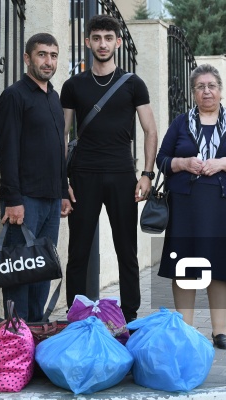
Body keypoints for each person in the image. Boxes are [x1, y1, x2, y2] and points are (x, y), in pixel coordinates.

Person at [60, 15, 158, 323]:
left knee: (126, 251)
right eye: (97, 38)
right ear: (88, 42)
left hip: (122, 177)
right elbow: (62, 133)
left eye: (108, 38)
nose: (102, 43)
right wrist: (63, 180)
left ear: (117, 42)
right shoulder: (73, 85)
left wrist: (147, 173)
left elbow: (150, 130)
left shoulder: (133, 84)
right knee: (78, 252)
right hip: (83, 175)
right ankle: (77, 317)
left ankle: (129, 317)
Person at [156, 64, 226, 350]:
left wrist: (225, 162)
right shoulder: (180, 122)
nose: (206, 91)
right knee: (185, 264)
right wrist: (182, 163)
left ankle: (220, 331)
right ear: (193, 92)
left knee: (219, 264)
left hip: (222, 205)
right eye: (200, 86)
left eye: (212, 85)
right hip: (185, 204)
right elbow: (162, 159)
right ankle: (185, 329)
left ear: (221, 91)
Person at [0, 33, 72, 322]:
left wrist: (63, 191)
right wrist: (13, 199)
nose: (48, 61)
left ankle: (36, 334)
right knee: (18, 273)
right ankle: (17, 339)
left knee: (42, 271)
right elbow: (8, 151)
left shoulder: (53, 97)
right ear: (27, 58)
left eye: (53, 55)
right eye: (42, 54)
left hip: (51, 201)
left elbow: (57, 149)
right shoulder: (14, 96)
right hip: (23, 201)